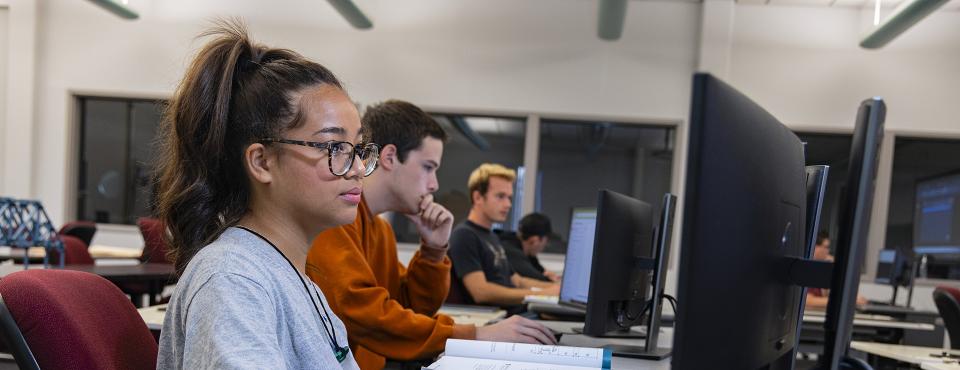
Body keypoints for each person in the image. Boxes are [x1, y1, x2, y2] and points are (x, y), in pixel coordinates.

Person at [155, 21, 378, 369]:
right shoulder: (233, 281)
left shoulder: (291, 277)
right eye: (334, 146)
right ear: (261, 162)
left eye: (358, 148)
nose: (357, 168)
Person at [306, 100, 557, 370]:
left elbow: (411, 308)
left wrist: (434, 250)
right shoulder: (335, 221)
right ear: (389, 157)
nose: (434, 184)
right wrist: (473, 336)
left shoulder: (381, 231)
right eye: (428, 167)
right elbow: (363, 313)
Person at [448, 164, 560, 309]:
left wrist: (554, 288)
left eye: (509, 198)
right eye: (500, 196)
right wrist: (542, 294)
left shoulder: (492, 236)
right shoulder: (464, 235)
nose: (508, 204)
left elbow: (517, 281)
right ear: (478, 197)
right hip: (496, 320)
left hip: (514, 314)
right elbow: (480, 292)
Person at [805, 231, 868, 310]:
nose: (828, 251)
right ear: (815, 247)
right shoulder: (808, 269)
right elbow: (808, 301)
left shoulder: (820, 269)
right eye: (826, 247)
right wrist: (847, 301)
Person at [499, 213, 560, 282]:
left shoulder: (527, 253)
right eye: (546, 241)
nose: (545, 245)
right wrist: (550, 279)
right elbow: (537, 279)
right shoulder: (511, 251)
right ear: (535, 240)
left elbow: (540, 271)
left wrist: (546, 273)